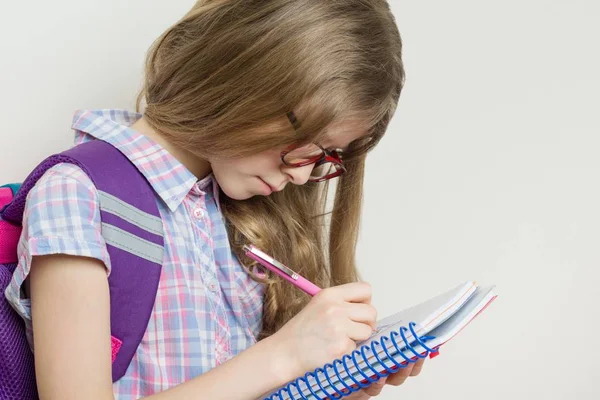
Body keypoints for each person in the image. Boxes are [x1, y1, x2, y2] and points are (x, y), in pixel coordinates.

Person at [5, 0, 424, 398]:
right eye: (303, 141)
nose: (301, 174)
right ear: (238, 73)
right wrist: (286, 353)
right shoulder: (80, 195)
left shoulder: (242, 213)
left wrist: (337, 381)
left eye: (326, 156)